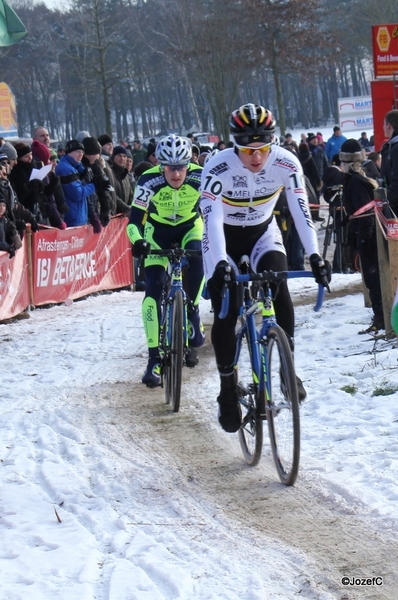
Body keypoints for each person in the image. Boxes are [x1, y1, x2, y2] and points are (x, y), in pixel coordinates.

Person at [201, 103, 331, 433]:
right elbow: (212, 219)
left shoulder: (286, 161)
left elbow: (301, 210)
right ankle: (228, 387)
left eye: (262, 148)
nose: (256, 158)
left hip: (263, 232)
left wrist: (314, 256)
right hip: (223, 240)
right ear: (234, 145)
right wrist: (219, 263)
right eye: (247, 150)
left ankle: (288, 368)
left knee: (278, 280)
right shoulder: (218, 166)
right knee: (226, 312)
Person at [127, 134, 205, 387]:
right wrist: (138, 241)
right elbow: (134, 221)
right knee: (152, 288)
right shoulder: (148, 180)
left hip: (190, 228)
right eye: (170, 168)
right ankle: (153, 358)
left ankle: (192, 312)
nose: (175, 173)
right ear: (161, 166)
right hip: (156, 232)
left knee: (197, 258)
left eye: (180, 167)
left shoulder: (200, 176)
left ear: (189, 163)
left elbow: (216, 213)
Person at [340, 139, 383, 333]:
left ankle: (380, 319)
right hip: (369, 233)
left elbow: (365, 214)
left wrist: (363, 240)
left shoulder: (356, 182)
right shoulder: (362, 177)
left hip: (369, 236)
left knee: (373, 278)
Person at [380, 109, 398, 214]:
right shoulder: (391, 146)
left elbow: (396, 181)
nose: (383, 127)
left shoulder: (396, 148)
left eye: (384, 124)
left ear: (389, 125)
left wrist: (388, 200)